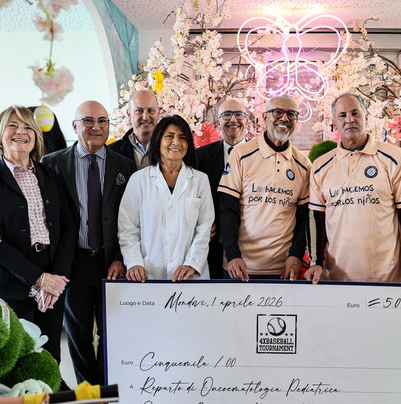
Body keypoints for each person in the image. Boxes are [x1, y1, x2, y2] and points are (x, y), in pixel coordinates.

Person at [42, 100, 136, 386]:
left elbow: (132, 218)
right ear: (74, 125)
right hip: (73, 263)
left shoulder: (125, 166)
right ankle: (89, 395)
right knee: (78, 335)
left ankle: (108, 393)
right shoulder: (53, 164)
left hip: (112, 264)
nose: (96, 127)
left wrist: (120, 257)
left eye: (102, 121)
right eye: (88, 121)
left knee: (111, 333)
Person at [0, 105, 75, 365]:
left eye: (28, 127)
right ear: (0, 137)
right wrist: (39, 279)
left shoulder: (51, 174)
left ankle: (50, 394)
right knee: (13, 360)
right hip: (9, 280)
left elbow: (68, 225)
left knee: (49, 359)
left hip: (52, 274)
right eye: (13, 126)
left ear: (36, 137)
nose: (21, 131)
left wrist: (56, 279)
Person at [305, 93, 401, 285]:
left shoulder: (394, 157)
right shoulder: (320, 166)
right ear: (334, 123)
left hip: (386, 277)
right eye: (342, 115)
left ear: (366, 117)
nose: (349, 120)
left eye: (355, 113)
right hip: (336, 278)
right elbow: (316, 218)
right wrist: (315, 262)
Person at [218, 95, 310, 281]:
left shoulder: (303, 164)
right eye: (278, 112)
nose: (284, 118)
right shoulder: (241, 155)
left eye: (291, 114)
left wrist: (296, 255)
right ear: (265, 117)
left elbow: (304, 218)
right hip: (240, 268)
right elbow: (227, 210)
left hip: (283, 271)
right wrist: (233, 256)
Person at [118, 115, 214, 281]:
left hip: (190, 276)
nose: (176, 142)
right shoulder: (139, 180)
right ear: (158, 142)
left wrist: (192, 263)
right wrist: (134, 262)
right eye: (169, 136)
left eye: (182, 138)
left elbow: (204, 228)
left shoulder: (200, 180)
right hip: (149, 273)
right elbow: (128, 228)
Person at [196, 98, 248, 278]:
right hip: (212, 244)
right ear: (218, 122)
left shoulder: (259, 155)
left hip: (248, 245)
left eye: (239, 114)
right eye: (226, 115)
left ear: (247, 120)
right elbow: (194, 195)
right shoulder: (201, 156)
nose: (233, 120)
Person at [109, 90, 161, 169]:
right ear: (129, 114)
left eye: (151, 111)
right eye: (139, 111)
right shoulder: (112, 152)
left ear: (158, 114)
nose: (145, 117)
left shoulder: (172, 147)